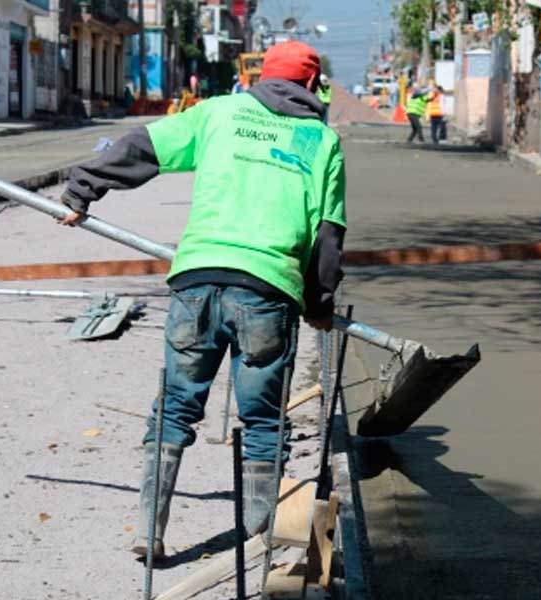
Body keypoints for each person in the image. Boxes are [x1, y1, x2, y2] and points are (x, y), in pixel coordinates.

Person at [56, 40, 346, 559]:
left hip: (195, 280)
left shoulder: (218, 112)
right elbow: (327, 237)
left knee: (173, 409)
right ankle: (260, 539)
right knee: (263, 420)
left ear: (262, 77)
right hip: (268, 288)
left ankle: (149, 531)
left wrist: (83, 188)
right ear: (310, 86)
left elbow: (143, 148)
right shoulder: (322, 142)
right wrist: (319, 307)